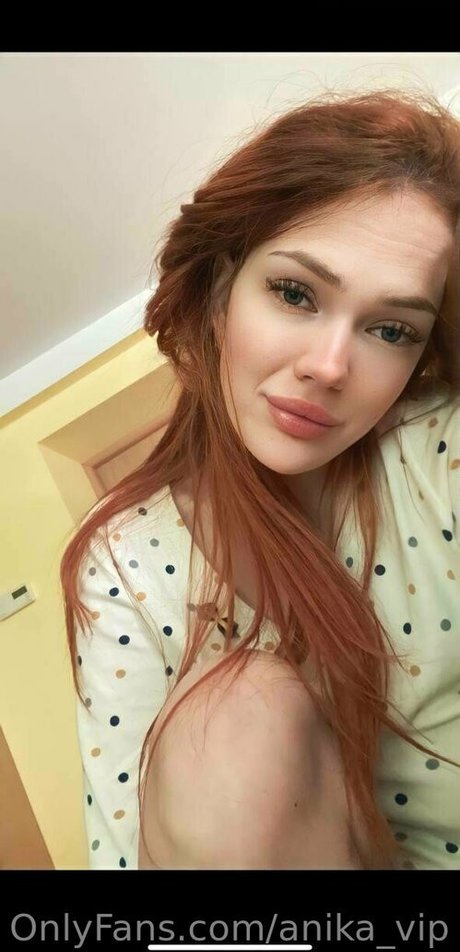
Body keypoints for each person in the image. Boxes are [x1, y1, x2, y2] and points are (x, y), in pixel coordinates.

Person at [60, 87, 460, 872]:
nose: (330, 366)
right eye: (295, 292)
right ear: (219, 291)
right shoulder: (126, 562)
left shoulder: (434, 451)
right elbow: (122, 851)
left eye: (391, 329)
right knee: (233, 719)